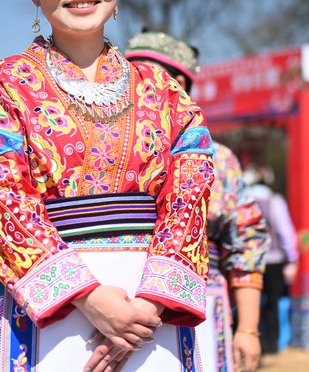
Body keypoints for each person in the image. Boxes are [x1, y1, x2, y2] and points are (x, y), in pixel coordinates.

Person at [0, 0, 216, 372]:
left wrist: (147, 309)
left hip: (150, 312)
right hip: (46, 314)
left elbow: (190, 199)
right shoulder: (5, 86)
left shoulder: (167, 93)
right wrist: (90, 298)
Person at [125, 30, 269, 372]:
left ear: (177, 83)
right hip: (121, 302)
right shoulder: (105, 151)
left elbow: (246, 245)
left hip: (201, 307)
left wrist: (247, 329)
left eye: (141, 73)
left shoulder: (220, 160)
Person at [245, 163, 298, 355]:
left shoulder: (244, 198)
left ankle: (253, 339)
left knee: (249, 300)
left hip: (248, 259)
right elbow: (285, 231)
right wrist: (292, 258)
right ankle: (272, 345)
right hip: (274, 259)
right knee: (273, 302)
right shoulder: (274, 200)